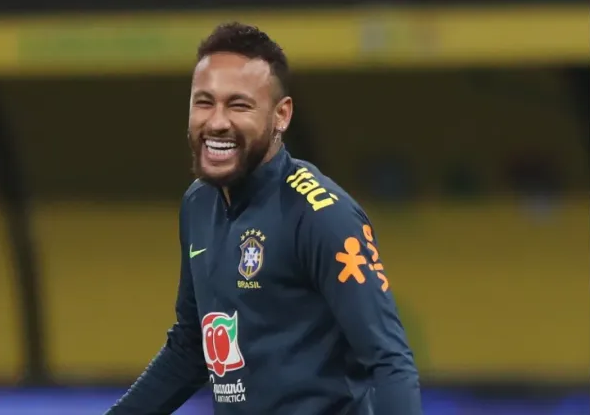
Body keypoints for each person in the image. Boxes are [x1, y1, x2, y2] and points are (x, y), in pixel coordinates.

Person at [105, 22, 422, 415]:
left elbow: (389, 361)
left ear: (281, 115)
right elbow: (192, 347)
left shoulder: (323, 216)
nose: (217, 121)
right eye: (204, 102)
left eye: (238, 105)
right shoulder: (197, 204)